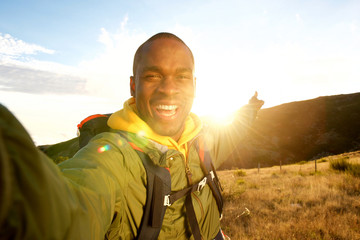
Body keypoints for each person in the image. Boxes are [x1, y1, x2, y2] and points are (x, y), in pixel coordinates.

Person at [0, 32, 264, 240]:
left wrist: (250, 109)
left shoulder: (202, 137)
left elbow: (234, 131)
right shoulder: (114, 156)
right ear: (133, 85)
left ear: (194, 85)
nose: (169, 89)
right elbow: (68, 214)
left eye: (181, 77)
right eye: (153, 75)